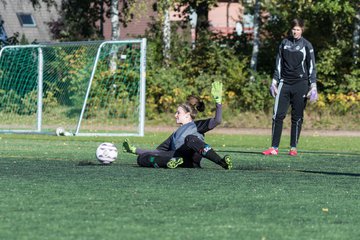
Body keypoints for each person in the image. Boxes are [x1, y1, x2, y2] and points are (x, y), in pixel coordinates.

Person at [123, 81, 232, 169]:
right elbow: (158, 152)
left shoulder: (196, 125)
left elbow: (217, 120)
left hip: (193, 158)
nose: (175, 115)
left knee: (190, 139)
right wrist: (134, 150)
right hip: (179, 159)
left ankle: (221, 162)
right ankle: (171, 162)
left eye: (178, 113)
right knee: (143, 158)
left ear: (187, 115)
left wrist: (218, 103)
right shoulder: (174, 135)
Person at [262, 18, 318, 156]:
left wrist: (313, 85)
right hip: (284, 83)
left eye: (298, 29)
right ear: (291, 30)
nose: (295, 32)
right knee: (277, 115)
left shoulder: (307, 45)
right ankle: (274, 147)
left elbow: (312, 67)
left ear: (302, 30)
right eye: (294, 29)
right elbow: (278, 64)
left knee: (297, 117)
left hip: (301, 84)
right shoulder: (284, 43)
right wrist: (274, 82)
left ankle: (293, 148)